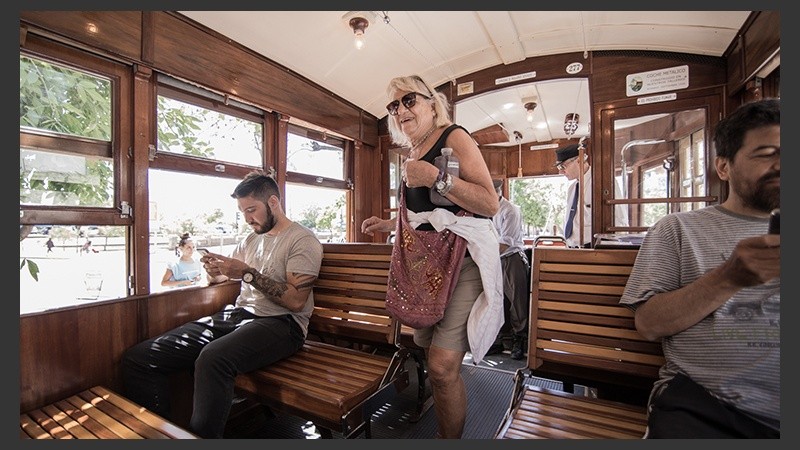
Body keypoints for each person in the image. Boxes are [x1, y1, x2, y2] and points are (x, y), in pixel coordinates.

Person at [619, 98, 780, 438]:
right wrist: (728, 277)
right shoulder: (678, 229)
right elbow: (648, 324)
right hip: (710, 408)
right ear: (724, 167)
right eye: (767, 154)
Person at [122, 171, 323, 438]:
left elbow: (296, 301)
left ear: (273, 202)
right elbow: (224, 275)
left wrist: (248, 273)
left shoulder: (302, 240)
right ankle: (160, 435)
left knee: (212, 359)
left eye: (252, 210)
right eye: (242, 211)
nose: (247, 218)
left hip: (283, 324)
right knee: (141, 357)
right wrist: (213, 269)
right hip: (239, 315)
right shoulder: (251, 239)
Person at [361, 74, 502, 439]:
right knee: (431, 357)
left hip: (462, 259)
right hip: (426, 265)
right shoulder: (410, 151)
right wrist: (390, 222)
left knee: (441, 366)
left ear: (431, 103)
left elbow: (489, 203)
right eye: (393, 106)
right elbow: (429, 214)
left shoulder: (453, 136)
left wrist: (437, 178)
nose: (400, 110)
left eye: (409, 100)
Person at [554, 140, 628, 247]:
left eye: (563, 167)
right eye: (559, 168)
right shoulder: (572, 188)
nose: (560, 172)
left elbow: (619, 220)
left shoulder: (602, 182)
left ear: (579, 160)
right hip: (572, 247)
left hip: (595, 247)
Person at [490, 179, 530, 360]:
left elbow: (505, 243)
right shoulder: (484, 210)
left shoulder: (510, 210)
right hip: (494, 259)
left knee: (517, 302)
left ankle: (519, 339)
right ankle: (498, 339)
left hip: (511, 258)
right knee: (495, 300)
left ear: (498, 192)